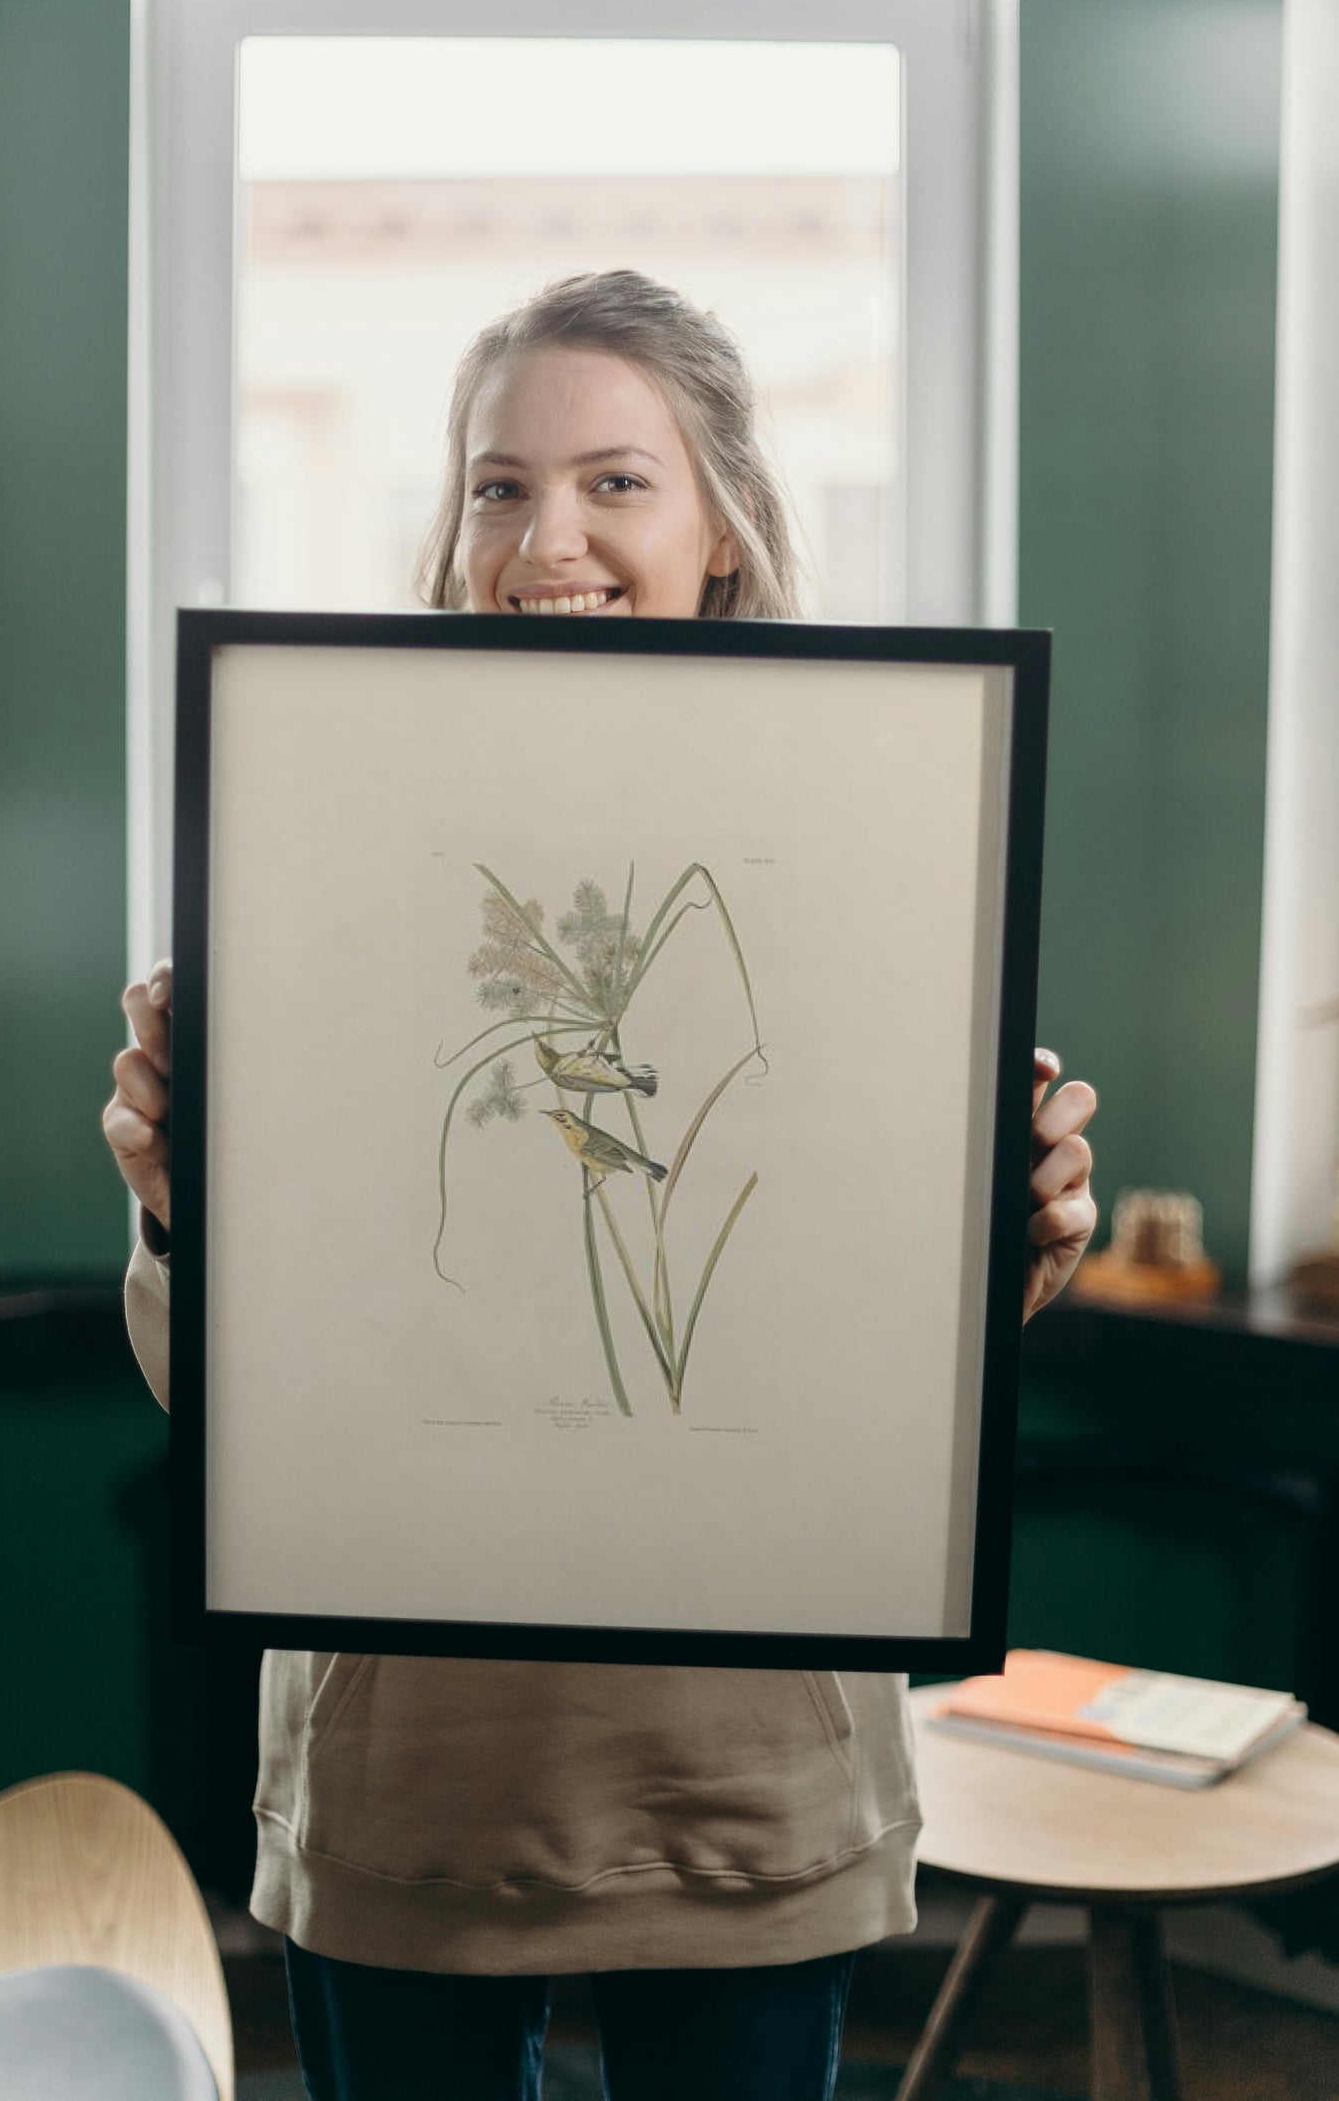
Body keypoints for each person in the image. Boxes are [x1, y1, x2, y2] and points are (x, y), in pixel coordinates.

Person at [104, 270, 1098, 2101]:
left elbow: (863, 1341)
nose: (543, 535)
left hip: (744, 1773)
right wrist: (179, 1213)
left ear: (721, 523)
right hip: (413, 1769)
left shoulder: (880, 851)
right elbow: (231, 1395)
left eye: (614, 482)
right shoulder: (314, 850)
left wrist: (1005, 1245)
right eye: (497, 484)